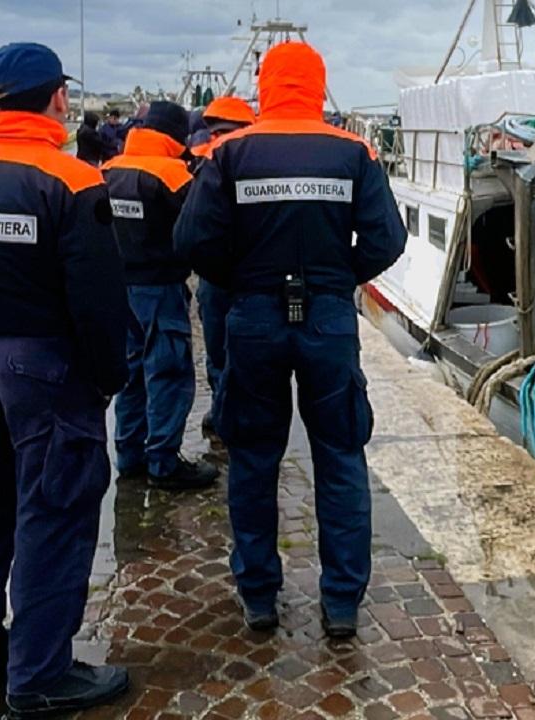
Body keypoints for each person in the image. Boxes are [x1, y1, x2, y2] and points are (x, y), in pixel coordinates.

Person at [0, 42, 130, 717]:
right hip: (46, 366)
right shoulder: (71, 182)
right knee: (55, 511)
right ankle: (40, 674)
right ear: (57, 98)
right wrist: (103, 382)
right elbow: (98, 303)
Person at [173, 42, 406, 637]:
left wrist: (242, 280)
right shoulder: (354, 153)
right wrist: (336, 279)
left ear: (266, 85)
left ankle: (258, 595)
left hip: (253, 320)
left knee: (252, 459)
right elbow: (387, 239)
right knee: (340, 456)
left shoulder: (230, 152)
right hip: (327, 321)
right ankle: (342, 603)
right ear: (318, 85)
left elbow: (192, 240)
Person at [102, 102, 219, 490]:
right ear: (176, 135)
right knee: (167, 371)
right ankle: (165, 461)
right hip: (161, 289)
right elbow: (201, 229)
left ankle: (129, 455)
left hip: (118, 290)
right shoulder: (174, 175)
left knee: (130, 374)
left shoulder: (109, 169)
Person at [186, 97, 257, 436]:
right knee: (245, 353)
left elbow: (188, 235)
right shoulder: (256, 163)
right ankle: (240, 415)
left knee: (218, 350)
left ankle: (222, 410)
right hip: (248, 278)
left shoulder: (200, 162)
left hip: (214, 278)